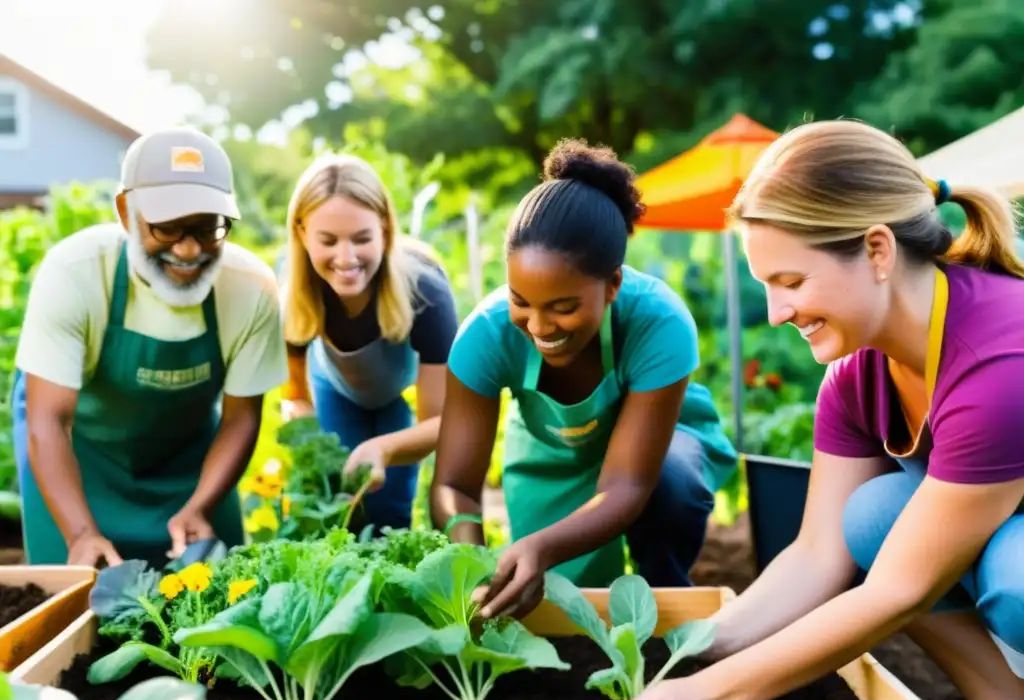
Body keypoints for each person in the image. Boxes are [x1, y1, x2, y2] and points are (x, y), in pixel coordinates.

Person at [595, 119, 1024, 700]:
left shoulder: (998, 364)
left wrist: (711, 697)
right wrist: (697, 648)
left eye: (791, 282)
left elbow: (897, 592)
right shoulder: (855, 376)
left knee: (1015, 579)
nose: (775, 312)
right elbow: (819, 552)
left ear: (878, 251)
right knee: (874, 516)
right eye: (766, 284)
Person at [431, 138, 738, 618]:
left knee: (673, 485)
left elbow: (627, 485)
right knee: (559, 601)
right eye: (520, 300)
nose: (538, 326)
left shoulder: (658, 322)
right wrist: (470, 558)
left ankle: (667, 603)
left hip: (657, 448)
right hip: (553, 454)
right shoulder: (484, 337)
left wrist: (545, 547)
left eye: (564, 307)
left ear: (612, 284)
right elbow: (454, 485)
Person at [11, 127, 288, 568]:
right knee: (74, 609)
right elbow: (49, 419)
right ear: (126, 212)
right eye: (167, 227)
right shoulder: (76, 272)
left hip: (189, 458)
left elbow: (241, 417)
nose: (189, 248)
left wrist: (200, 505)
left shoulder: (250, 289)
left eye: (208, 227)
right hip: (75, 453)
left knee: (221, 598)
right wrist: (80, 533)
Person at [280, 154, 459, 533]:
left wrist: (384, 448)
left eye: (362, 239)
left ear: (385, 229)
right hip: (336, 389)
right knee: (342, 509)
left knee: (390, 511)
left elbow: (442, 423)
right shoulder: (298, 292)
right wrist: (312, 447)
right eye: (327, 241)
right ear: (301, 233)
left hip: (396, 394)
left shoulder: (425, 291)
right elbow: (296, 395)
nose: (346, 259)